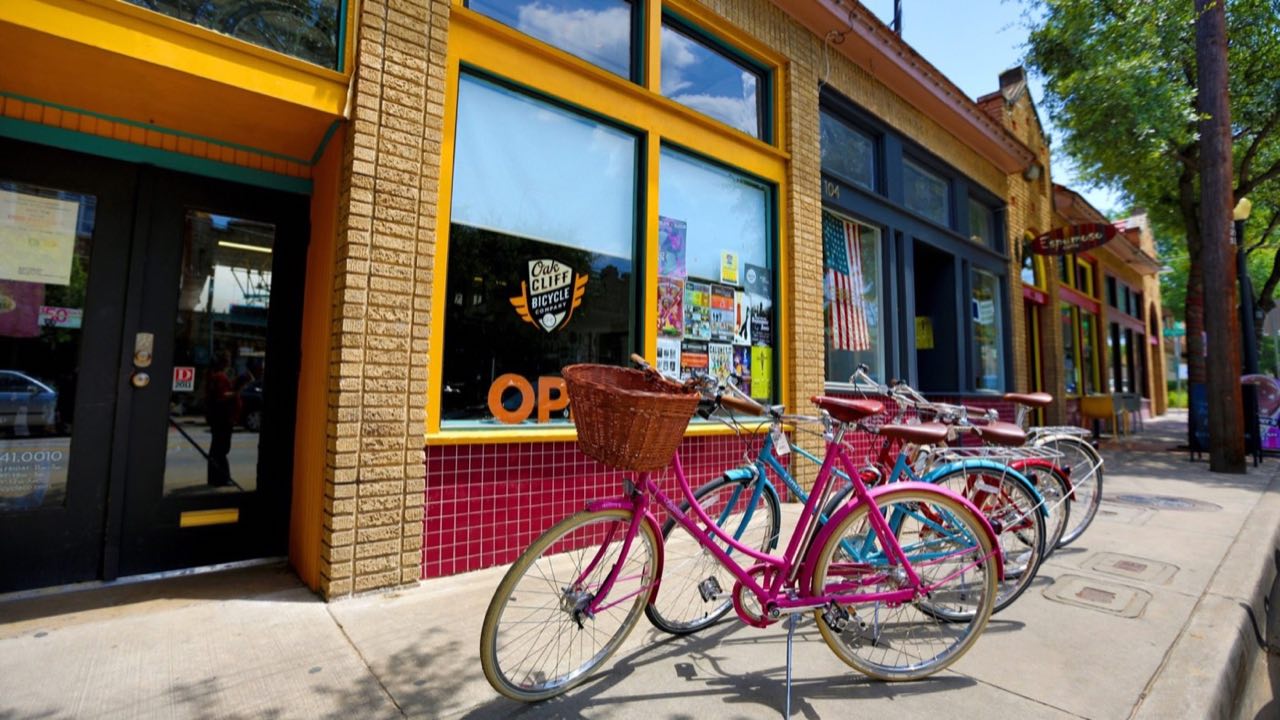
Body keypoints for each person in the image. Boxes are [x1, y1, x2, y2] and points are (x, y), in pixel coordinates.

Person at [205, 352, 239, 487]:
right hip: (223, 419)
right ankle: (222, 478)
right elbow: (222, 396)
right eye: (228, 359)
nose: (229, 362)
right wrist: (236, 392)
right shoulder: (220, 377)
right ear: (223, 362)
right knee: (221, 449)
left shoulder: (213, 376)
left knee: (216, 449)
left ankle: (214, 479)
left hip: (217, 418)